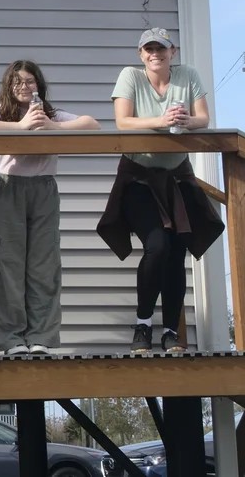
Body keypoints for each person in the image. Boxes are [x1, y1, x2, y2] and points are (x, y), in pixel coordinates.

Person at [97, 27, 223, 354]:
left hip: (177, 178)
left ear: (173, 52)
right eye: (148, 49)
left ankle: (170, 332)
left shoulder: (188, 75)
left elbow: (203, 119)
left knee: (176, 250)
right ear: (141, 55)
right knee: (156, 245)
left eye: (161, 49)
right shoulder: (130, 76)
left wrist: (184, 118)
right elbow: (123, 122)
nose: (155, 54)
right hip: (138, 179)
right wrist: (159, 119)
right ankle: (142, 325)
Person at [0, 59, 100, 355]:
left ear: (39, 85)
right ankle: (11, 339)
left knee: (44, 264)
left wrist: (52, 126)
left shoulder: (49, 112)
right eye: (17, 82)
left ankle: (41, 336)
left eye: (29, 81)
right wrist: (20, 126)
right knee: (8, 263)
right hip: (8, 187)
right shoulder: (0, 111)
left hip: (43, 188)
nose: (24, 87)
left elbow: (92, 124)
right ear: (8, 86)